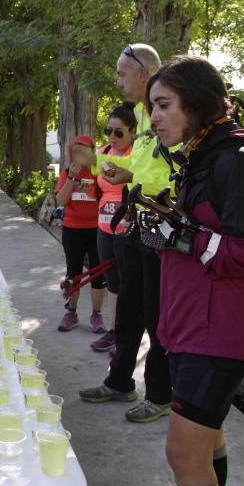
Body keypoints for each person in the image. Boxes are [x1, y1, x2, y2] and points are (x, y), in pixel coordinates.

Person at [146, 55, 244, 486]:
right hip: (190, 324)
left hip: (218, 331)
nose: (154, 117)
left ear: (196, 103)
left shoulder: (236, 162)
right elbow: (204, 239)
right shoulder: (201, 157)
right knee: (207, 440)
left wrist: (183, 237)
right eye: (151, 107)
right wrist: (167, 231)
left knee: (183, 453)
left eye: (163, 105)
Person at [79, 43, 177, 423]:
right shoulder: (141, 113)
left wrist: (132, 175)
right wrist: (101, 162)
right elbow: (134, 167)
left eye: (122, 74)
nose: (117, 81)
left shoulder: (170, 113)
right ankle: (120, 381)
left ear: (142, 72)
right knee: (131, 309)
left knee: (155, 314)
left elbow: (175, 177)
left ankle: (160, 394)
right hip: (136, 227)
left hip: (160, 232)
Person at [90, 104, 136, 353]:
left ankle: (126, 336)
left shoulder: (136, 153)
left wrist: (103, 163)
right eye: (109, 131)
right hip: (104, 226)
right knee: (112, 283)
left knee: (129, 283)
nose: (112, 137)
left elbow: (115, 173)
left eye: (119, 132)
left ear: (132, 132)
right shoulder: (105, 150)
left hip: (127, 229)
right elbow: (101, 175)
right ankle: (114, 331)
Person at [55, 134, 106, 333]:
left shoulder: (99, 172)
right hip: (72, 230)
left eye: (83, 150)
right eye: (76, 150)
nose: (79, 154)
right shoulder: (67, 172)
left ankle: (96, 315)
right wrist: (71, 179)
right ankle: (71, 313)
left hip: (97, 229)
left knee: (98, 275)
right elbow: (61, 201)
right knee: (73, 273)